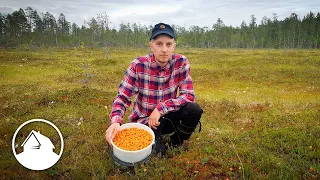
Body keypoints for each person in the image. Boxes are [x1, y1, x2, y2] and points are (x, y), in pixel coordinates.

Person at [105, 22, 203, 155]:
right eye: (159, 44)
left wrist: (161, 108)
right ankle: (158, 144)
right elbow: (122, 97)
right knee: (157, 154)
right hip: (145, 121)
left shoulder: (181, 62)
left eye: (168, 44)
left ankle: (175, 142)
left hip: (168, 116)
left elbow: (188, 95)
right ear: (151, 46)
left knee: (194, 109)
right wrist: (115, 122)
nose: (164, 49)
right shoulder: (138, 65)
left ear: (174, 46)